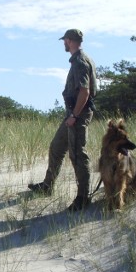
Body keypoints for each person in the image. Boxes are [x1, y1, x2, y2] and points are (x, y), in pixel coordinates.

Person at [28, 29, 98, 211]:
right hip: (72, 114)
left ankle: (83, 197)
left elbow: (85, 92)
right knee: (57, 147)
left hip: (78, 114)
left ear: (69, 40)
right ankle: (47, 185)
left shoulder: (80, 62)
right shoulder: (79, 59)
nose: (63, 44)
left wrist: (74, 116)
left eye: (65, 41)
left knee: (77, 154)